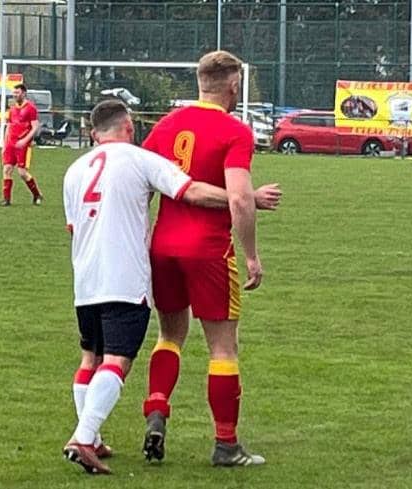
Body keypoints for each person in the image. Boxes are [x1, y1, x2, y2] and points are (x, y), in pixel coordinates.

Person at [61, 99, 278, 475]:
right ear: (128, 127)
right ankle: (86, 436)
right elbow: (190, 191)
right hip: (139, 272)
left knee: (99, 355)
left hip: (88, 275)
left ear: (95, 132)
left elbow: (72, 227)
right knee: (134, 357)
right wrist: (247, 199)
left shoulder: (75, 169)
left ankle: (129, 421)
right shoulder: (138, 158)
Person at [141, 50, 279, 467]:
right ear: (234, 85)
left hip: (162, 247)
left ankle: (157, 411)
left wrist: (142, 236)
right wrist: (252, 256)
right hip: (208, 251)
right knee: (223, 348)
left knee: (169, 336)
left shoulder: (166, 125)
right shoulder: (234, 130)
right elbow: (238, 199)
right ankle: (226, 445)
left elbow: (141, 185)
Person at [0, 83, 43, 206]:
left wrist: (25, 140)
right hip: (10, 144)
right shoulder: (12, 109)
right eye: (14, 93)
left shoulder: (30, 108)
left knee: (22, 173)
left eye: (17, 93)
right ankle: (6, 199)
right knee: (7, 169)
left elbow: (35, 127)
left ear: (23, 93)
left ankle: (37, 194)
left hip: (23, 145)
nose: (15, 95)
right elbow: (9, 125)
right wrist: (4, 142)